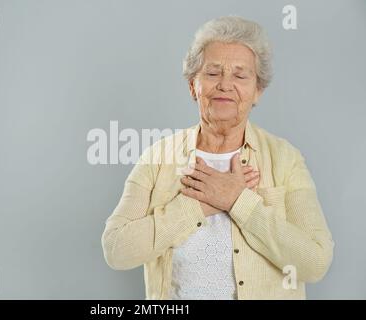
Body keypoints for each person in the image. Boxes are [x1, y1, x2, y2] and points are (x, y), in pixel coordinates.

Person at [101, 16, 334, 299]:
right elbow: (116, 250)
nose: (225, 84)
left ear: (257, 91)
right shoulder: (157, 158)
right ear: (192, 86)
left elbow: (315, 263)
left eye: (240, 75)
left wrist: (238, 201)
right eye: (212, 73)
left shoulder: (285, 159)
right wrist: (197, 205)